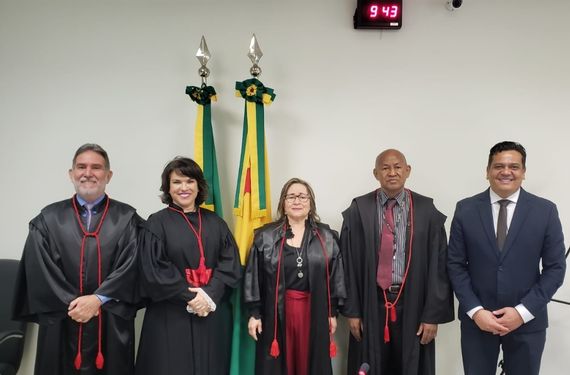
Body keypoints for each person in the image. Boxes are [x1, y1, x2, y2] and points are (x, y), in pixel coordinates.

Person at [12, 143, 143, 375]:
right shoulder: (47, 220)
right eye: (81, 167)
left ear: (108, 175)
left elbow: (133, 266)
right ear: (71, 174)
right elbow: (39, 270)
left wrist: (98, 300)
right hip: (61, 322)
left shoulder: (128, 220)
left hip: (110, 322)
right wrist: (76, 304)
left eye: (97, 167)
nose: (88, 173)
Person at [447, 141, 566, 375]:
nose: (506, 171)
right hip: (478, 322)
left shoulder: (545, 211)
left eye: (514, 166)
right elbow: (455, 265)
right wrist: (475, 311)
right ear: (488, 171)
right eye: (499, 166)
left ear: (523, 172)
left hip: (528, 322)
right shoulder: (465, 209)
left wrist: (522, 312)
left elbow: (555, 268)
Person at [341, 149, 454, 375]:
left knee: (410, 366)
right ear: (375, 173)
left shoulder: (426, 210)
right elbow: (347, 264)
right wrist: (352, 311)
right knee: (370, 364)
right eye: (385, 168)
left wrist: (432, 315)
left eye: (397, 167)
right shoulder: (359, 210)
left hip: (413, 303)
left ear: (407, 170)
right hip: (369, 303)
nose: (392, 172)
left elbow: (439, 267)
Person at [135, 157, 242, 375]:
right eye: (177, 182)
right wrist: (191, 297)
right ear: (168, 187)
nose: (184, 187)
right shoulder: (156, 223)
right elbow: (154, 269)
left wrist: (208, 296)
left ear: (198, 185)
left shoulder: (216, 222)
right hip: (171, 315)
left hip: (210, 314)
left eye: (190, 181)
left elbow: (230, 264)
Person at [243, 177, 346, 375]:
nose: (297, 201)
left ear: (311, 203)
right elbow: (252, 276)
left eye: (302, 197)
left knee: (310, 362)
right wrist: (254, 313)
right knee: (280, 363)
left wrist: (332, 312)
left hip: (314, 309)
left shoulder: (327, 237)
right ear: (283, 202)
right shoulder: (265, 236)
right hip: (277, 309)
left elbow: (336, 276)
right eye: (291, 197)